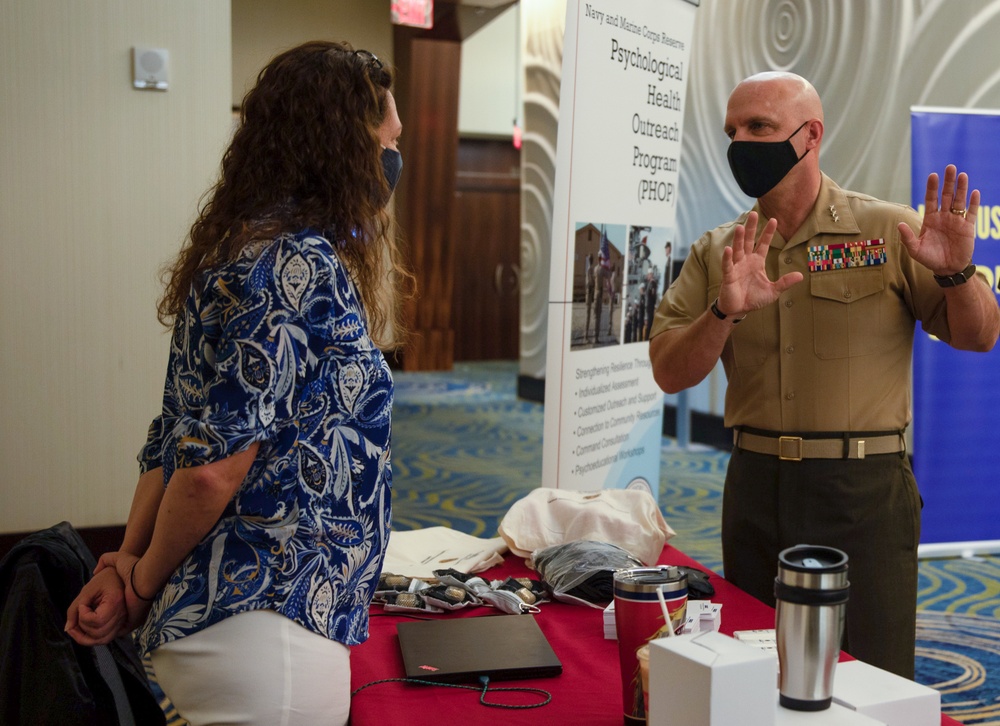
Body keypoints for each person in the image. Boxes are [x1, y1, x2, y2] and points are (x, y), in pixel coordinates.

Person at [65, 40, 414, 725]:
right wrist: (137, 577)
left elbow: (173, 439)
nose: (394, 160)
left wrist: (129, 564)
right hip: (268, 633)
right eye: (387, 141)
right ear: (341, 146)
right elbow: (207, 473)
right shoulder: (299, 267)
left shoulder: (236, 253)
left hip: (228, 624)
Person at [648, 71, 1000, 679]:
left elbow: (980, 335)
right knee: (757, 668)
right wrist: (723, 311)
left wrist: (956, 274)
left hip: (862, 491)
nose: (740, 143)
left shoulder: (888, 231)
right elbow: (669, 372)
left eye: (759, 127)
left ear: (810, 135)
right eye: (732, 130)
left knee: (871, 672)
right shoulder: (718, 251)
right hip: (755, 486)